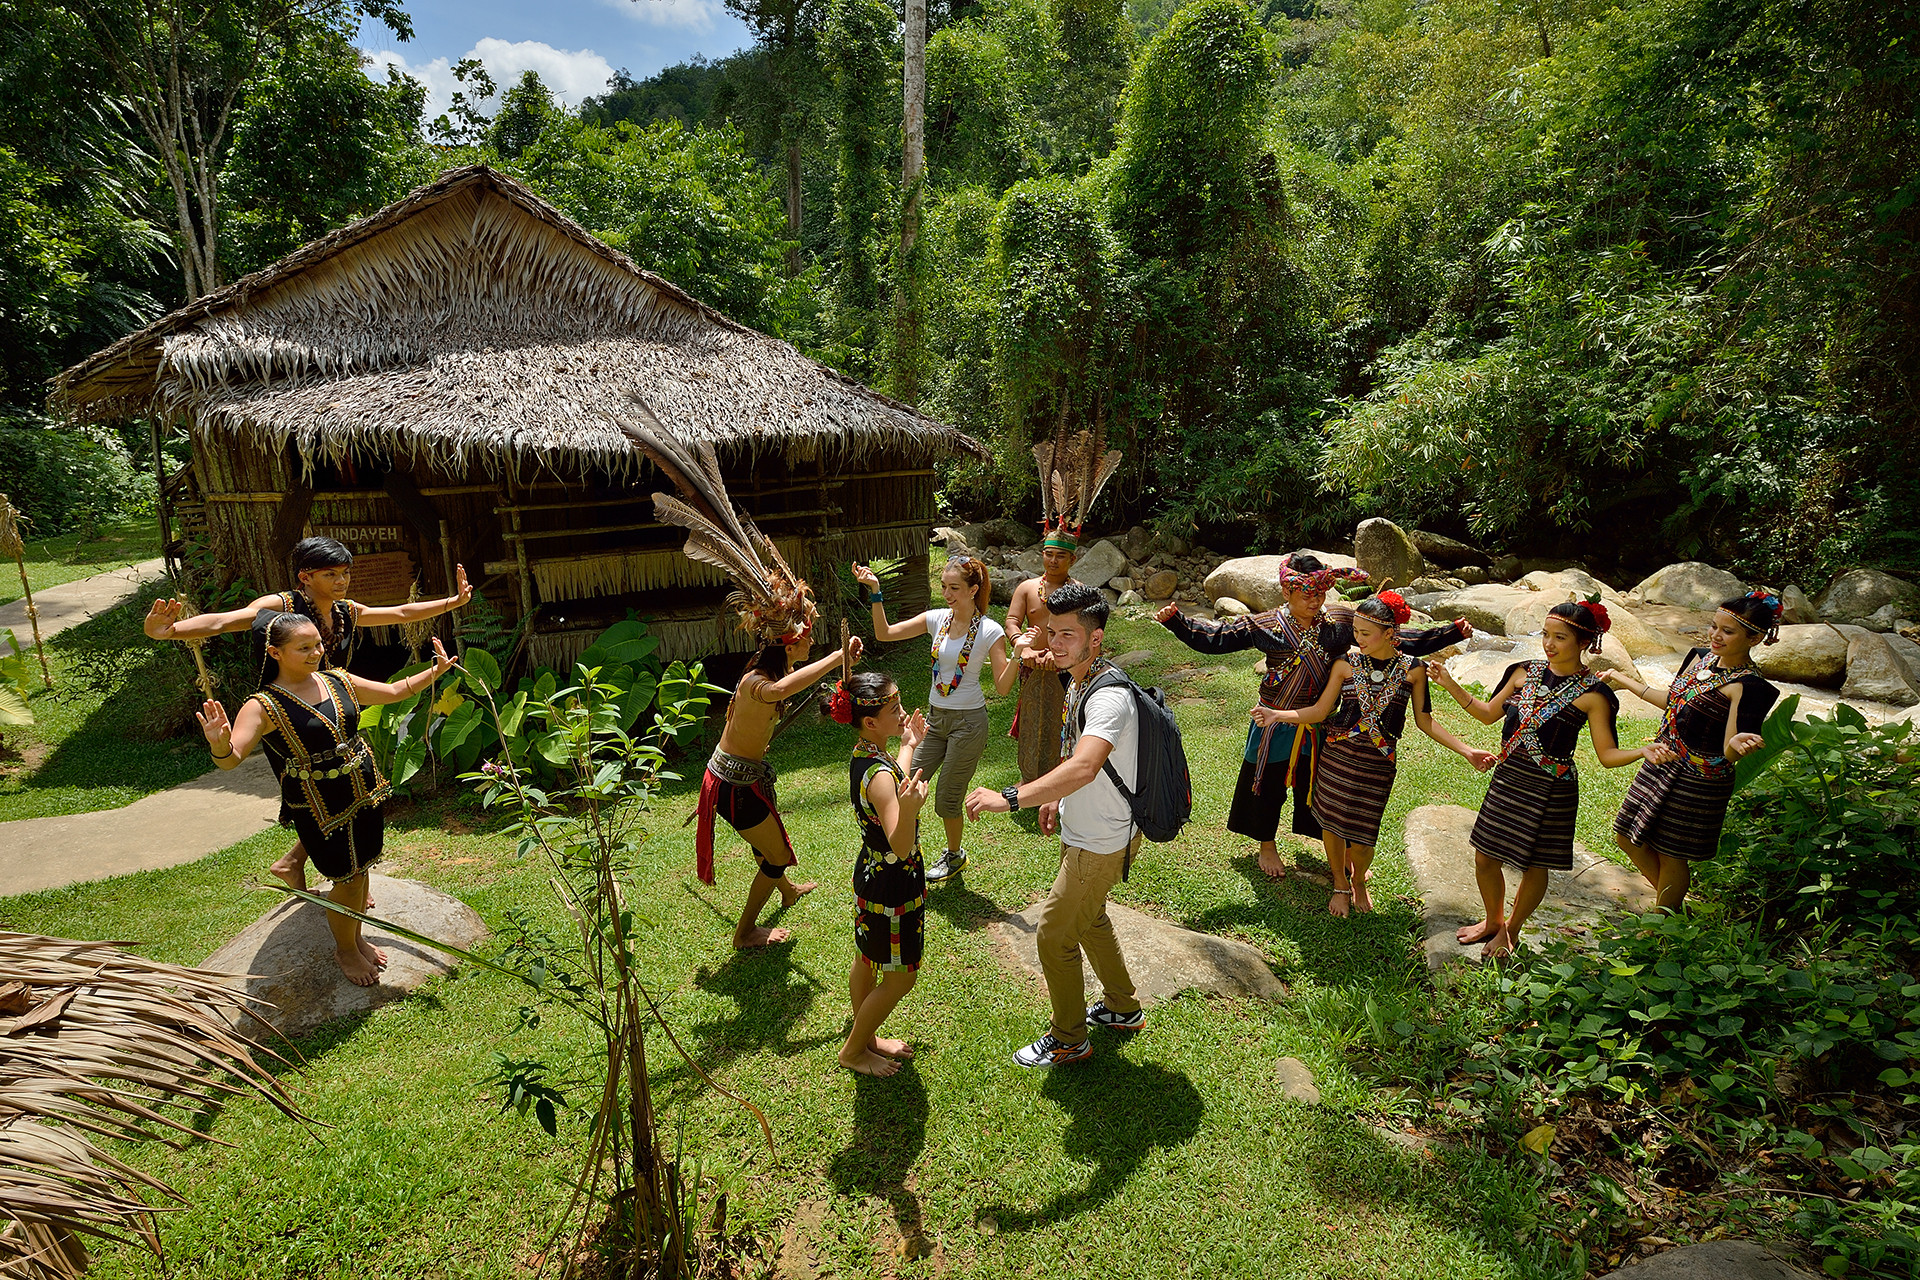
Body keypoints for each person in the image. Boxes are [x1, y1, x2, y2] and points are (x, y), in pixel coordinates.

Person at [617, 405, 848, 949]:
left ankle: (786, 892)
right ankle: (747, 932)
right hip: (734, 786)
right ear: (793, 639)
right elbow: (783, 690)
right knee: (776, 853)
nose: (812, 635)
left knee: (770, 847)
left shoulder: (763, 668)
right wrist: (837, 658)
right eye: (809, 631)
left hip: (737, 778)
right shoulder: (759, 683)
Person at [145, 535, 473, 896]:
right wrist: (169, 631)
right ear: (305, 576)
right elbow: (225, 621)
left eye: (345, 573)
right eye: (330, 574)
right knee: (311, 791)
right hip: (289, 716)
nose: (341, 581)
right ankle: (341, 878)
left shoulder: (345, 610)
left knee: (342, 789)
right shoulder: (282, 606)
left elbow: (399, 613)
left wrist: (452, 602)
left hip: (332, 703)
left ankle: (311, 867)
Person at [1157, 552, 1470, 880]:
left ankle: (1335, 848)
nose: (1314, 601)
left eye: (1319, 594)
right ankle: (1267, 844)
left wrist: (1449, 633)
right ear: (1286, 591)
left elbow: (1391, 638)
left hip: (1319, 720)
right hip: (1275, 718)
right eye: (1306, 595)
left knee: (1320, 788)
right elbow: (1217, 639)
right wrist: (1178, 621)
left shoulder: (1337, 621)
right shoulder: (1265, 625)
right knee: (1267, 783)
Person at [195, 612, 455, 985]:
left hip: (362, 790)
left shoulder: (339, 681)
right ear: (275, 652)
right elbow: (231, 759)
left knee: (362, 870)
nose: (316, 652)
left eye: (318, 643)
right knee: (346, 881)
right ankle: (346, 949)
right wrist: (219, 743)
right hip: (318, 806)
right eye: (304, 647)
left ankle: (357, 937)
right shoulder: (262, 706)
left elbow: (396, 692)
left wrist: (435, 671)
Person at [1427, 598, 1672, 958]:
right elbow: (1487, 714)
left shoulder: (1595, 695)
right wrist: (1450, 684)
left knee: (1534, 864)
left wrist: (1641, 752)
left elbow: (1606, 755)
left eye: (1560, 637)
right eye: (1545, 635)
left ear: (1584, 644)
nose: (1549, 644)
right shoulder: (1521, 671)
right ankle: (1493, 920)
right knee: (1484, 856)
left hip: (1551, 787)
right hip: (1509, 778)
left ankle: (1511, 930)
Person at [965, 582, 1145, 1068]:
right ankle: (1122, 1007)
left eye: (1068, 633)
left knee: (1052, 933)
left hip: (1101, 838)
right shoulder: (1081, 679)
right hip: (1087, 826)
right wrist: (1057, 797)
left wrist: (1012, 797)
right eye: (1051, 632)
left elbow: (1085, 766)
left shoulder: (1110, 697)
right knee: (1090, 918)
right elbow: (1074, 759)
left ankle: (1069, 1039)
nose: (1055, 643)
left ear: (1097, 639)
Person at [1264, 592, 1495, 916]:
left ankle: (1358, 879)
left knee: (1363, 838)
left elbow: (1425, 721)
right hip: (1337, 758)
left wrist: (1466, 750)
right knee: (1331, 825)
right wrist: (1278, 715)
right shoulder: (1345, 664)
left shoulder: (1413, 671)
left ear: (1390, 634)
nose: (1357, 639)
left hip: (1378, 763)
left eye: (1365, 633)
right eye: (1355, 632)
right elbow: (1320, 710)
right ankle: (1341, 885)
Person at [1608, 590, 1783, 911]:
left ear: (1754, 638)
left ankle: (1664, 918)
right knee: (1625, 835)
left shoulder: (1752, 687)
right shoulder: (1697, 657)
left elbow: (1731, 748)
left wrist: (1738, 745)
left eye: (1727, 631)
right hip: (1661, 760)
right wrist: (1625, 680)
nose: (1715, 635)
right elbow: (1673, 701)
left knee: (1670, 851)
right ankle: (1672, 904)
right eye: (1714, 626)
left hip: (1700, 779)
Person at [853, 556, 1018, 883]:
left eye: (954, 588)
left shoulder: (990, 630)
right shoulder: (937, 619)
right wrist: (875, 591)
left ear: (974, 590)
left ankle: (954, 856)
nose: (947, 593)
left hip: (969, 724)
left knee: (945, 799)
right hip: (935, 719)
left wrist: (1019, 656)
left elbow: (1002, 686)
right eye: (943, 586)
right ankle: (901, 847)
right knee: (904, 782)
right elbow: (884, 633)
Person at [1006, 423, 1124, 783]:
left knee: (1066, 722)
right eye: (1048, 554)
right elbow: (1012, 621)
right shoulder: (1027, 588)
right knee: (1032, 725)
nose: (1053, 561)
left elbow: (1090, 633)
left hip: (1066, 671)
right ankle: (1031, 779)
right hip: (1032, 669)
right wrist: (1022, 647)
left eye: (1060, 556)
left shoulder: (1080, 593)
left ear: (1072, 560)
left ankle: (1059, 780)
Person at [831, 671, 931, 1077]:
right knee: (900, 978)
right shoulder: (882, 778)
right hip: (894, 888)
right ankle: (855, 1050)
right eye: (895, 710)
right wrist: (910, 810)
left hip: (872, 876)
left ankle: (867, 1038)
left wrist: (907, 745)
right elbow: (900, 845)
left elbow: (891, 780)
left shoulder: (865, 755)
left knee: (867, 960)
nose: (903, 713)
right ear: (870, 721)